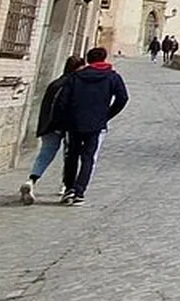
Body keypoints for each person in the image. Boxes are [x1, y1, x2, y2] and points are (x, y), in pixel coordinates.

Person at [54, 47, 130, 206]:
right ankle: (80, 191)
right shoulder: (112, 77)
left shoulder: (76, 76)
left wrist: (64, 119)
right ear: (104, 59)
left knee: (71, 156)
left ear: (88, 60)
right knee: (88, 158)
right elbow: (123, 98)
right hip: (96, 124)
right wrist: (107, 115)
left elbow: (62, 101)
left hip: (74, 123)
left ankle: (69, 189)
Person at [20, 55, 84, 205]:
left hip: (48, 125)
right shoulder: (73, 84)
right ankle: (66, 186)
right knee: (70, 156)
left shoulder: (55, 83)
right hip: (64, 126)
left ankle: (32, 180)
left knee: (45, 153)